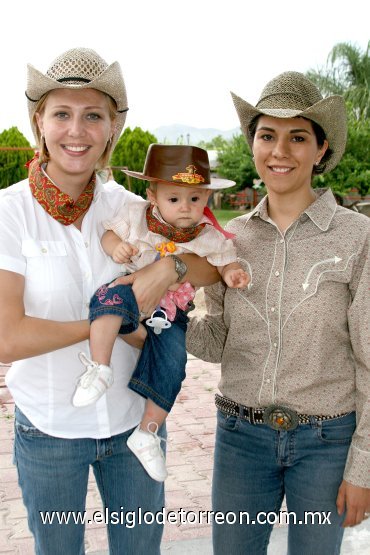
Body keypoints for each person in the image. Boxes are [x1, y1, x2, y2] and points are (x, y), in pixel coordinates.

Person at [0, 47, 219, 555]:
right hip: (49, 431)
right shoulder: (9, 213)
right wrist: (110, 319)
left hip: (132, 424)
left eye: (93, 115)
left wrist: (169, 267)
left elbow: (207, 259)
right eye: (62, 113)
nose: (77, 130)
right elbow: (7, 337)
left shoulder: (128, 206)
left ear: (112, 128)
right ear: (40, 122)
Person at [186, 71, 370, 554]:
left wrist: (363, 468)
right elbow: (214, 341)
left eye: (298, 137)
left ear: (321, 149)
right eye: (267, 135)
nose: (280, 151)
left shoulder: (357, 237)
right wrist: (159, 311)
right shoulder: (229, 240)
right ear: (253, 143)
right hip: (240, 437)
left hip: (326, 442)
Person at [72, 144, 249, 482]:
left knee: (172, 364)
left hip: (171, 312)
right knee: (107, 302)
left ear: (206, 199)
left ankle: (147, 432)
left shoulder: (207, 234)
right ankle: (100, 367)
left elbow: (224, 260)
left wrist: (232, 274)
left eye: (195, 199)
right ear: (152, 195)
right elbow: (109, 234)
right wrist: (116, 247)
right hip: (131, 288)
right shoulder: (135, 215)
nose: (186, 208)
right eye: (174, 199)